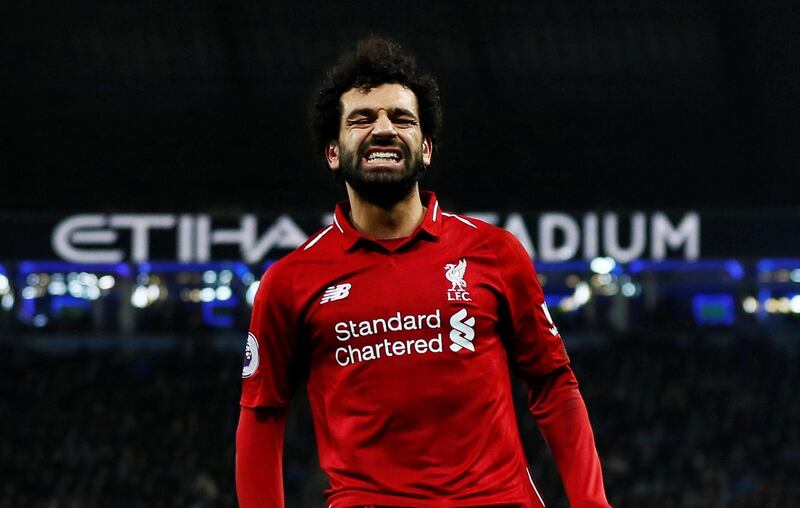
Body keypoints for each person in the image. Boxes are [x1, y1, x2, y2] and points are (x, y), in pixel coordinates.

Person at [236, 37, 611, 508]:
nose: (384, 129)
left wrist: (592, 503)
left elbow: (554, 385)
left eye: (402, 118)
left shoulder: (495, 252)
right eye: (362, 119)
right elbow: (261, 415)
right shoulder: (290, 280)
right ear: (333, 151)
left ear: (426, 148)